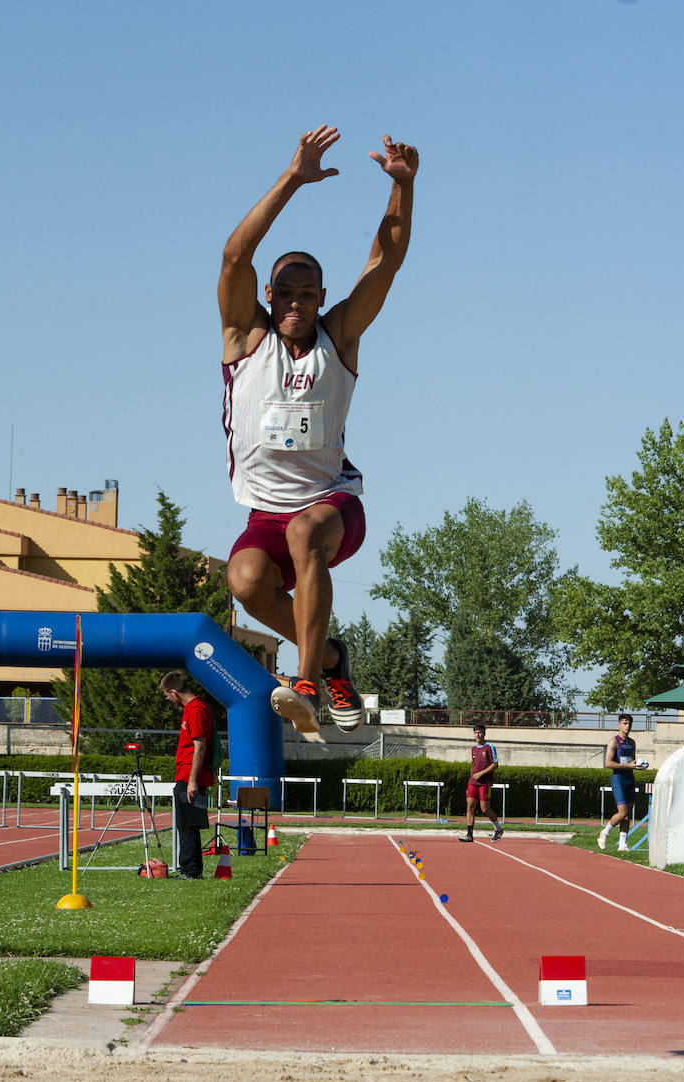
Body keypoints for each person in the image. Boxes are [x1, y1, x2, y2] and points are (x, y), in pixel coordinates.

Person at [218, 124, 419, 737]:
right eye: (286, 293)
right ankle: (333, 659)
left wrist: (402, 190)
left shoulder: (339, 339)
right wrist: (292, 180)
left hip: (331, 507)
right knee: (245, 582)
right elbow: (234, 257)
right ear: (270, 297)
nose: (297, 303)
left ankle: (306, 682)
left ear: (322, 296)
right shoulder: (245, 340)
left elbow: (385, 261)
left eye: (309, 293)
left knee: (307, 532)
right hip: (264, 515)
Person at [160, 670, 215, 880]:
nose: (169, 700)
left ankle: (191, 871)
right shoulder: (192, 709)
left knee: (189, 825)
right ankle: (190, 869)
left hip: (190, 776)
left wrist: (192, 781)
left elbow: (200, 746)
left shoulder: (196, 710)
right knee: (186, 824)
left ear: (174, 692)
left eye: (168, 696)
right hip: (185, 775)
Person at [597, 713, 647, 852]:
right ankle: (605, 832)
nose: (627, 726)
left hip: (629, 779)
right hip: (618, 779)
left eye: (629, 723)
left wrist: (640, 765)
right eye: (624, 723)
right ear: (619, 725)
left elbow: (633, 761)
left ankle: (623, 844)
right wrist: (628, 766)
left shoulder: (632, 742)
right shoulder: (614, 741)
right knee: (622, 813)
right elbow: (608, 763)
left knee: (628, 814)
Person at [458, 724, 504, 843]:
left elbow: (495, 764)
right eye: (475, 732)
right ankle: (469, 834)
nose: (477, 735)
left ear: (484, 733)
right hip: (473, 782)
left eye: (480, 732)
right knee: (470, 806)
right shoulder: (473, 748)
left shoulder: (489, 747)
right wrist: (474, 775)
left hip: (485, 783)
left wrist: (481, 774)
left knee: (485, 809)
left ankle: (498, 829)